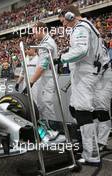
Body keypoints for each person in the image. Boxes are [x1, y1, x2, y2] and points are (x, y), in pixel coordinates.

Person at [58, 5, 103, 165]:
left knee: (83, 112)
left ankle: (91, 155)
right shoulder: (87, 27)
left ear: (70, 15)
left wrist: (62, 57)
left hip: (84, 74)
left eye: (63, 21)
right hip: (85, 73)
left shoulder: (81, 27)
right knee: (76, 109)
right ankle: (86, 147)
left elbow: (82, 51)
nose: (63, 25)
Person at [29, 22, 59, 129]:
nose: (33, 35)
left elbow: (42, 66)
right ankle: (47, 130)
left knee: (46, 106)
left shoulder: (47, 43)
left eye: (34, 32)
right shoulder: (44, 42)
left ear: (41, 29)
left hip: (48, 78)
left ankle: (53, 131)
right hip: (45, 78)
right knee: (42, 106)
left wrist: (31, 82)